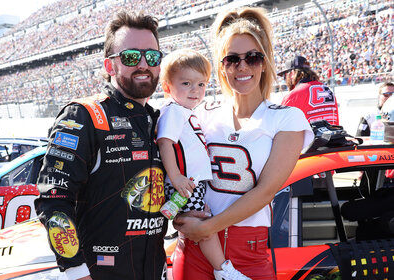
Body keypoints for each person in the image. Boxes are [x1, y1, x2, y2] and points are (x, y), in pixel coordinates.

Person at [172, 7, 314, 280]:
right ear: (221, 65)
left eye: (253, 57)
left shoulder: (287, 119)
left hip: (248, 252)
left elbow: (266, 192)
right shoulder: (200, 113)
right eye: (232, 59)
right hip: (194, 248)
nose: (243, 66)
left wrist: (208, 228)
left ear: (265, 60)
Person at [34, 11, 168, 280]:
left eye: (152, 57)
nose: (144, 64)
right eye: (131, 57)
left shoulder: (160, 122)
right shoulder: (84, 116)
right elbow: (54, 202)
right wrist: (75, 270)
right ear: (110, 66)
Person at [157, 49, 249, 279]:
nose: (195, 90)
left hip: (190, 183)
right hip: (185, 184)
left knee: (200, 221)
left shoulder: (186, 112)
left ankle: (221, 269)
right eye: (186, 83)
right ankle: (223, 270)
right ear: (167, 87)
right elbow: (165, 144)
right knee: (203, 227)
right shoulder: (173, 112)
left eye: (201, 84)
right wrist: (176, 177)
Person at [277, 55, 339, 125]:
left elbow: (282, 128)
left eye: (285, 76)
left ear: (292, 74)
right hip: (334, 134)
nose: (285, 80)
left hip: (310, 135)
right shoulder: (328, 90)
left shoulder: (293, 96)